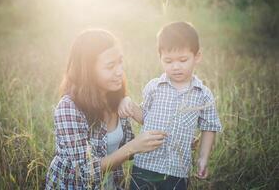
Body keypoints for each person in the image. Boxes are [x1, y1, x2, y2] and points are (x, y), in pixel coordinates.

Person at [45, 29, 167, 190]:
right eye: (110, 66)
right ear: (87, 70)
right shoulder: (69, 108)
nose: (119, 71)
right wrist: (134, 146)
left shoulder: (115, 99)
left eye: (120, 62)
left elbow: (130, 148)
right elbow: (85, 172)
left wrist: (173, 138)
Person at [118, 22, 223, 190]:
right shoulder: (154, 87)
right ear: (160, 58)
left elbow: (209, 127)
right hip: (145, 165)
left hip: (177, 170)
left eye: (183, 60)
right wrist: (128, 104)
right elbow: (145, 117)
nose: (175, 67)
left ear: (197, 56)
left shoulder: (203, 94)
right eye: (168, 61)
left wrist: (203, 158)